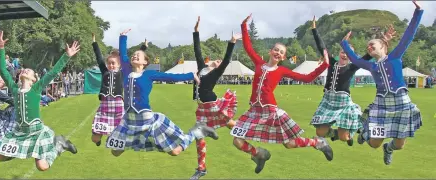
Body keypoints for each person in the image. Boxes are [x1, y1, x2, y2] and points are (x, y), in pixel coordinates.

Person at [232, 14, 332, 174]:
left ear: (283, 57)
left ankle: (318, 143)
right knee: (237, 140)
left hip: (271, 112)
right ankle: (259, 154)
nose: (278, 53)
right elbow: (248, 47)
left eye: (281, 52)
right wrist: (244, 26)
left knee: (289, 144)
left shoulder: (282, 70)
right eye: (276, 50)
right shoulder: (259, 63)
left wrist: (324, 65)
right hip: (254, 111)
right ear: (270, 51)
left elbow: (307, 78)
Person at [106, 29, 218, 158]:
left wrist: (191, 75)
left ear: (145, 62)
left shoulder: (148, 74)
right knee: (115, 152)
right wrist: (123, 37)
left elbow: (169, 77)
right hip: (129, 122)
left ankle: (197, 131)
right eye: (134, 55)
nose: (134, 56)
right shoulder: (126, 71)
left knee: (175, 152)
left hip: (147, 121)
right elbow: (123, 55)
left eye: (138, 55)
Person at [340, 0, 423, 165]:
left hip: (402, 103)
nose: (369, 47)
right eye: (367, 47)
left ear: (383, 46)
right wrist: (344, 44)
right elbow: (354, 59)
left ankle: (389, 148)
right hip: (382, 104)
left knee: (399, 145)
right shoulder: (370, 65)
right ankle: (365, 130)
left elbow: (409, 34)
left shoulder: (395, 56)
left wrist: (418, 11)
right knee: (374, 144)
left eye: (372, 44)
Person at [0, 30, 78, 171]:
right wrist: (1, 49)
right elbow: (2, 70)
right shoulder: (14, 89)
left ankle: (59, 145)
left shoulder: (36, 88)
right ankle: (21, 151)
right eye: (24, 70)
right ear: (19, 75)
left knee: (42, 166)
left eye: (29, 71)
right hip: (20, 132)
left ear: (34, 79)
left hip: (36, 132)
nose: (25, 70)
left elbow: (53, 72)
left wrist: (66, 56)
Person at [310, 16, 395, 146]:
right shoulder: (331, 63)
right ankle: (337, 135)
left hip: (343, 102)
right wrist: (314, 30)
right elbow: (322, 47)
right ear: (339, 52)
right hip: (328, 100)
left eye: (348, 53)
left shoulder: (352, 66)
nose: (345, 55)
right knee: (320, 132)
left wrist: (383, 40)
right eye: (343, 52)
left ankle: (356, 127)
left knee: (345, 137)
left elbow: (368, 54)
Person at [190, 16, 239, 179]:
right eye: (216, 60)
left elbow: (226, 59)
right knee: (200, 136)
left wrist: (232, 42)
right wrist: (196, 32)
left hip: (213, 104)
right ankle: (201, 168)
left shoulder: (217, 72)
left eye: (219, 61)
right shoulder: (202, 68)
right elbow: (197, 50)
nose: (218, 61)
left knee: (229, 123)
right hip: (202, 107)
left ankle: (248, 131)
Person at [90, 32, 148, 146]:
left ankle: (119, 139)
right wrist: (94, 42)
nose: (111, 65)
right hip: (105, 105)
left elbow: (134, 61)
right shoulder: (105, 71)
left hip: (118, 105)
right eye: (109, 63)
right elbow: (99, 58)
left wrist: (144, 47)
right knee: (94, 139)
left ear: (119, 65)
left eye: (113, 63)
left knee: (118, 133)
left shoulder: (123, 73)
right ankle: (99, 137)